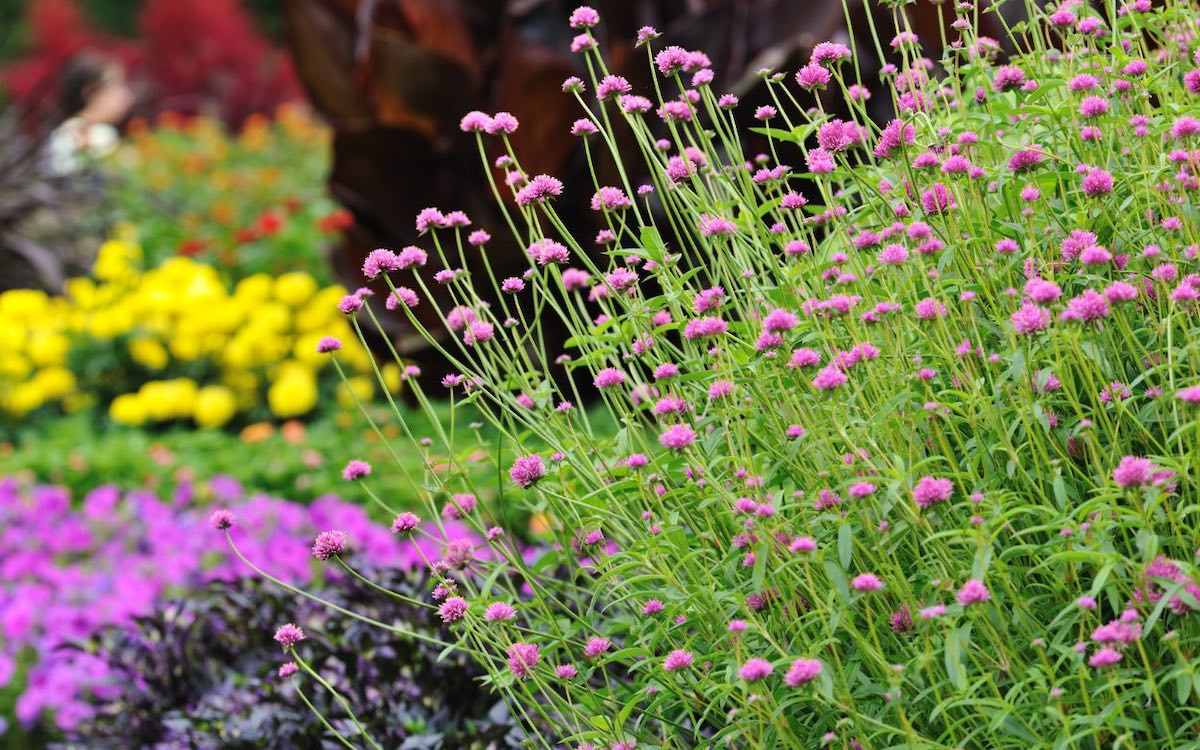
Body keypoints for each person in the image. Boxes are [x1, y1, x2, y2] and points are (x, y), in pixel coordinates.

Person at [45, 52, 133, 176]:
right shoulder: (86, 136)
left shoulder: (68, 132)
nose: (125, 95)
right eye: (116, 86)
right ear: (91, 93)